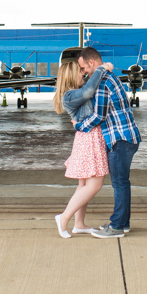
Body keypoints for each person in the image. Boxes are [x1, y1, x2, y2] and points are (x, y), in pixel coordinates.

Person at [74, 46, 140, 239]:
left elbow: (98, 116)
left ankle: (117, 226)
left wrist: (79, 126)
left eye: (83, 68)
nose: (83, 72)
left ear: (92, 63)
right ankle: (123, 223)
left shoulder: (102, 81)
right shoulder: (109, 77)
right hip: (124, 137)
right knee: (121, 182)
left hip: (120, 138)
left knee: (119, 183)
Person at [52, 59, 113, 238]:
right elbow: (88, 91)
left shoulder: (74, 92)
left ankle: (79, 224)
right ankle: (63, 218)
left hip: (90, 137)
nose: (84, 74)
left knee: (84, 185)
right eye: (80, 72)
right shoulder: (70, 96)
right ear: (71, 75)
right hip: (89, 139)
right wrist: (101, 68)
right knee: (94, 184)